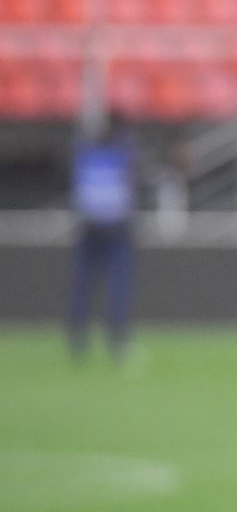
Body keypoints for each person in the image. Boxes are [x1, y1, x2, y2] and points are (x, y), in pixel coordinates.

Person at [66, 111, 139, 363]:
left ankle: (79, 340)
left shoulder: (85, 153)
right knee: (115, 287)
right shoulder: (122, 155)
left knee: (85, 286)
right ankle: (115, 341)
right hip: (114, 230)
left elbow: (79, 190)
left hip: (90, 229)